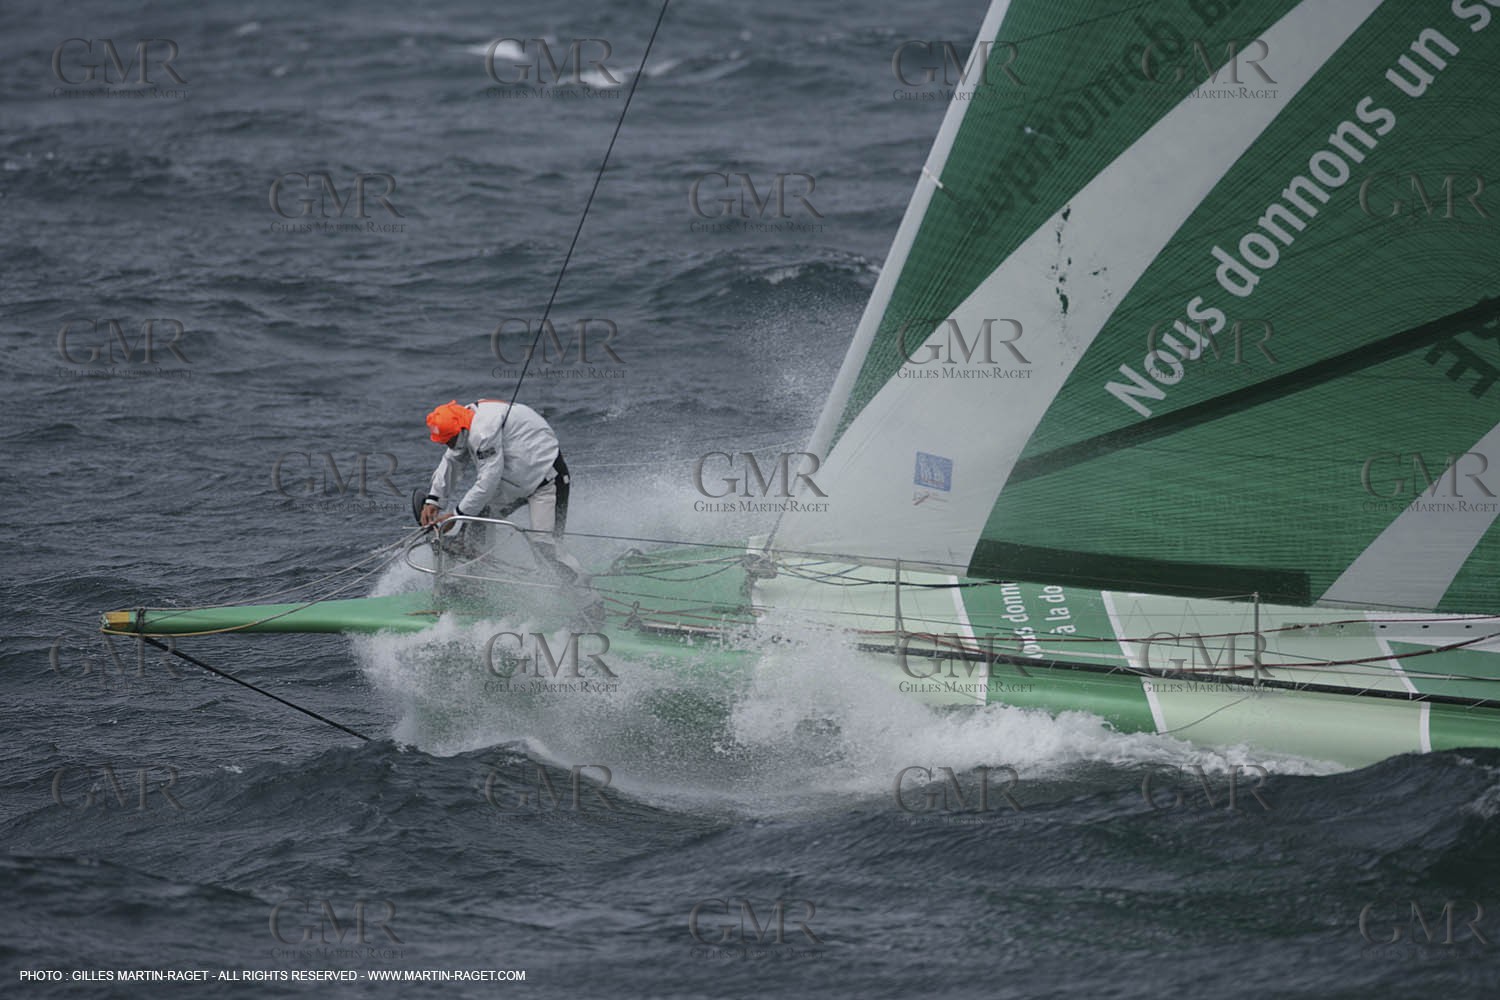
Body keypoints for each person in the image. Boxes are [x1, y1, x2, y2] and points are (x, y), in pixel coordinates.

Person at [419, 398, 585, 587]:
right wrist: (433, 500)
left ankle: (588, 601)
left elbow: (488, 480)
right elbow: (452, 460)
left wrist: (456, 516)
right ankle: (477, 587)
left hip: (547, 483)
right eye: (445, 442)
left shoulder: (482, 431)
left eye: (450, 441)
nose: (448, 445)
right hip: (514, 482)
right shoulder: (462, 420)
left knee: (547, 549)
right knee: (478, 522)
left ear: (461, 430)